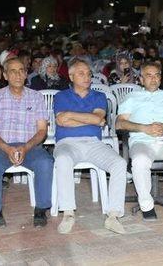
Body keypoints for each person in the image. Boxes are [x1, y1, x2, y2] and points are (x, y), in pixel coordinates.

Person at [53, 58, 127, 235]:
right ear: (71, 76)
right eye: (81, 73)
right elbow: (61, 121)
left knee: (119, 164)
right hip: (67, 143)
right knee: (62, 159)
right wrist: (89, 119)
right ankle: (68, 213)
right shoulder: (61, 96)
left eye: (88, 74)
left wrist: (71, 116)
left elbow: (98, 119)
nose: (86, 77)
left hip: (94, 143)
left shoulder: (99, 96)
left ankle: (113, 216)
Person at [116, 61, 163, 221]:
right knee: (140, 160)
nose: (153, 79)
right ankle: (146, 205)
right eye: (149, 76)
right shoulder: (132, 97)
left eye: (157, 75)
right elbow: (119, 123)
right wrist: (144, 128)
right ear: (141, 79)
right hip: (142, 141)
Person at [0, 57, 53, 228]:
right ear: (5, 75)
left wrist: (26, 147)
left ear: (26, 73)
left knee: (46, 162)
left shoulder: (36, 97)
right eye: (12, 71)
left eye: (21, 70)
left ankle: (41, 209)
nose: (18, 75)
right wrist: (6, 148)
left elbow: (42, 130)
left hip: (30, 144)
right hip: (1, 145)